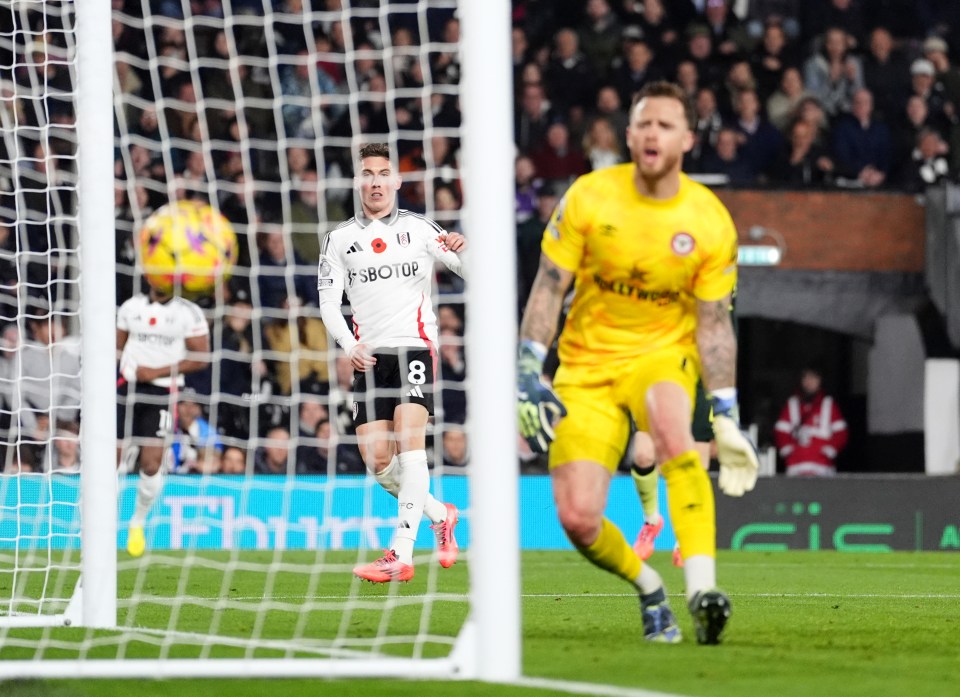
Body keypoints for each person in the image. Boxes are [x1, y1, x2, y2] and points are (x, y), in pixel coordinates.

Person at [516, 81, 758, 645]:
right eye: (643, 123)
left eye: (666, 125)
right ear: (628, 134)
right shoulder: (588, 196)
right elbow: (550, 286)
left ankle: (703, 592)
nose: (653, 133)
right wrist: (528, 366)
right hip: (586, 365)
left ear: (687, 140)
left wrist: (725, 412)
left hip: (661, 355)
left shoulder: (709, 220)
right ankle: (650, 588)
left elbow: (714, 323)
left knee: (673, 432)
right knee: (577, 517)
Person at [317, 142, 464, 583]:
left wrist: (462, 247)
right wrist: (348, 345)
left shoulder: (420, 229)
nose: (376, 181)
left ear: (397, 182)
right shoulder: (340, 239)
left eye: (384, 173)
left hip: (414, 347)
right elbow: (327, 302)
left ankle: (399, 552)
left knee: (410, 443)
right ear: (359, 181)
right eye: (368, 174)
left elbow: (471, 269)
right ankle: (441, 515)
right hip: (369, 357)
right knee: (379, 462)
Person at [117, 283, 210, 557]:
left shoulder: (188, 313)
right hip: (126, 388)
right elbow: (116, 345)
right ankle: (101, 526)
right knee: (111, 457)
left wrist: (156, 371)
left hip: (163, 392)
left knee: (150, 462)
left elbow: (201, 357)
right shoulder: (131, 307)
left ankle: (138, 522)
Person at [774, 366, 848, 477]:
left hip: (822, 466)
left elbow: (841, 433)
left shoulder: (829, 405)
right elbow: (780, 431)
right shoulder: (792, 404)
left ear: (820, 381)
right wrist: (788, 451)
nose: (809, 382)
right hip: (796, 465)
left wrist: (829, 451)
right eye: (806, 378)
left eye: (813, 378)